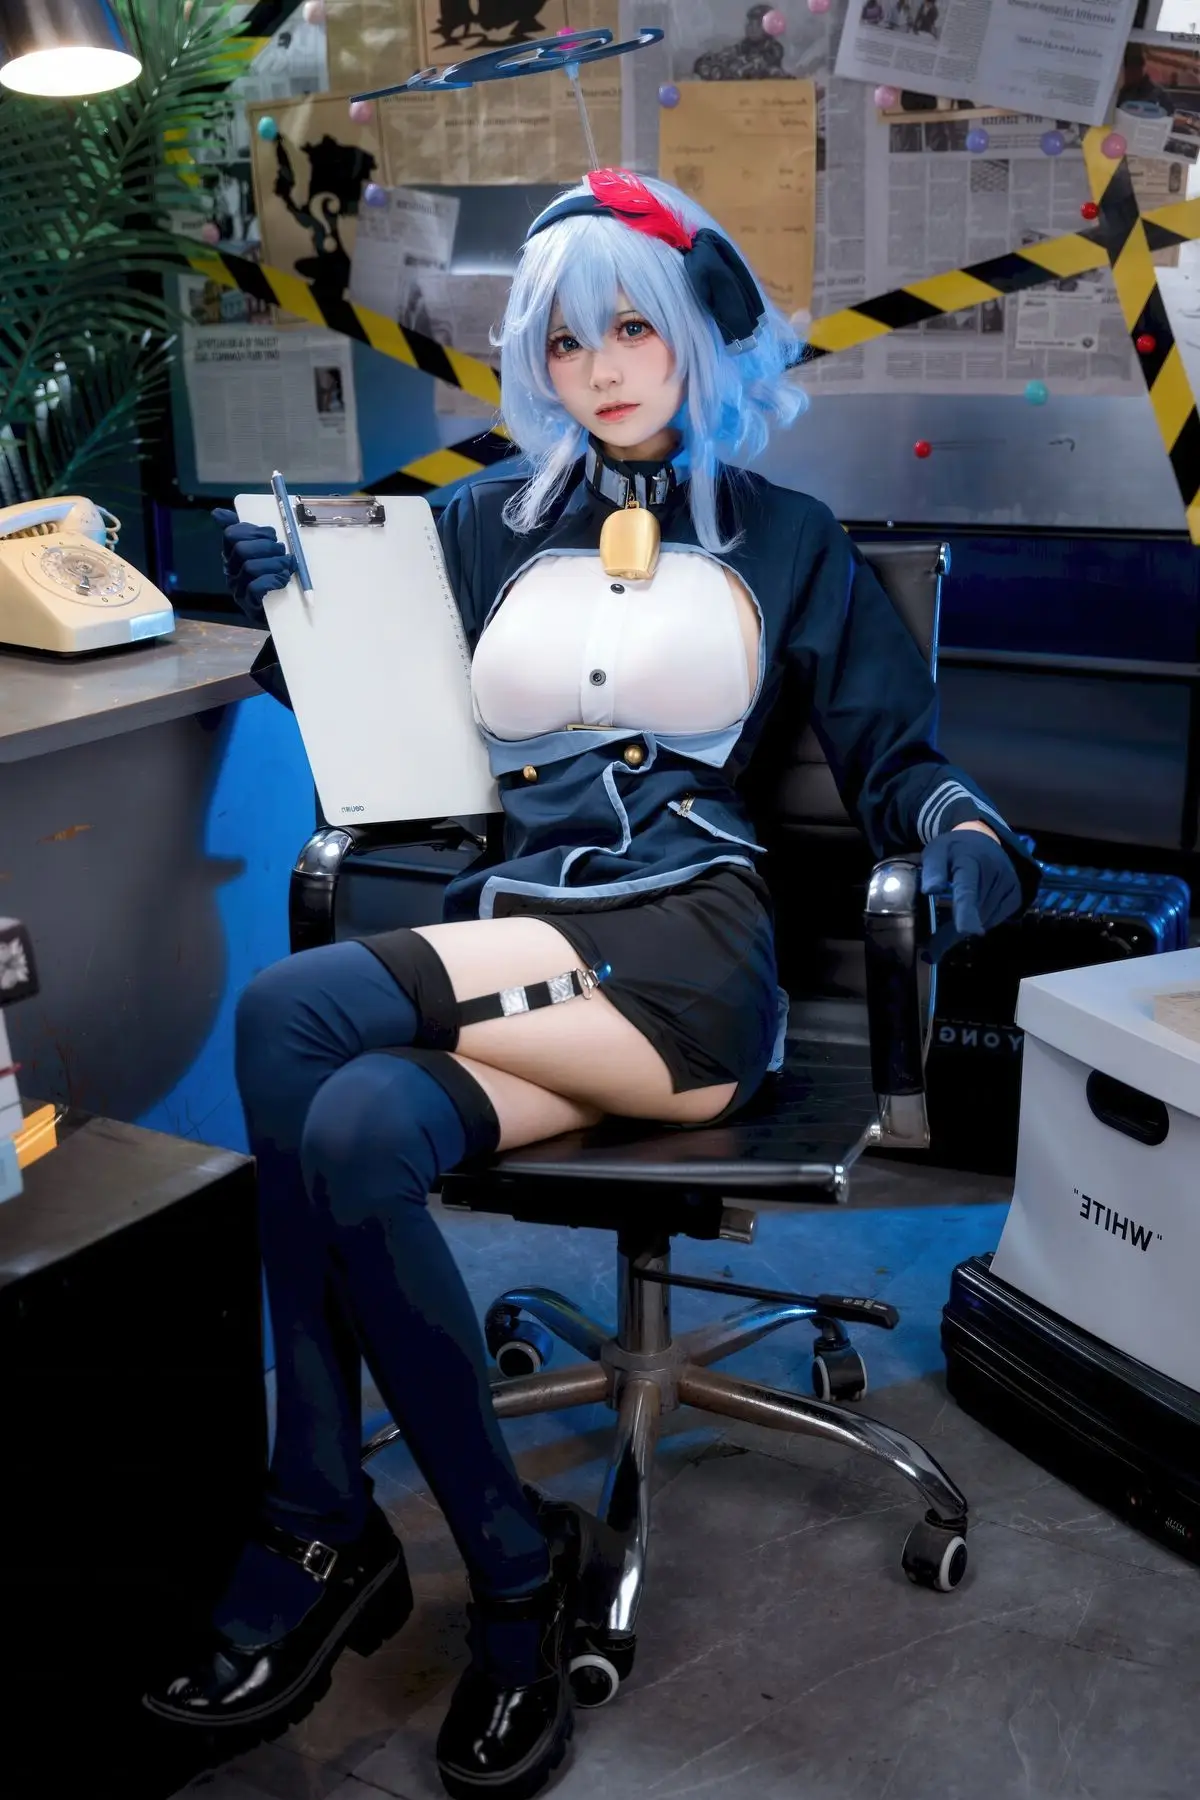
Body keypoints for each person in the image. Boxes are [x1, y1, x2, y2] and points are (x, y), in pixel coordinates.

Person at [143, 168, 1039, 1799]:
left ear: (695, 330)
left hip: (689, 960)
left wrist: (965, 831)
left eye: (633, 326)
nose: (603, 367)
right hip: (529, 957)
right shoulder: (483, 525)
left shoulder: (787, 538)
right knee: (352, 1128)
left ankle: (317, 1519)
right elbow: (365, 721)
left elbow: (898, 762)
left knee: (287, 1014)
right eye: (566, 341)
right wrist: (290, 597)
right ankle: (508, 1570)